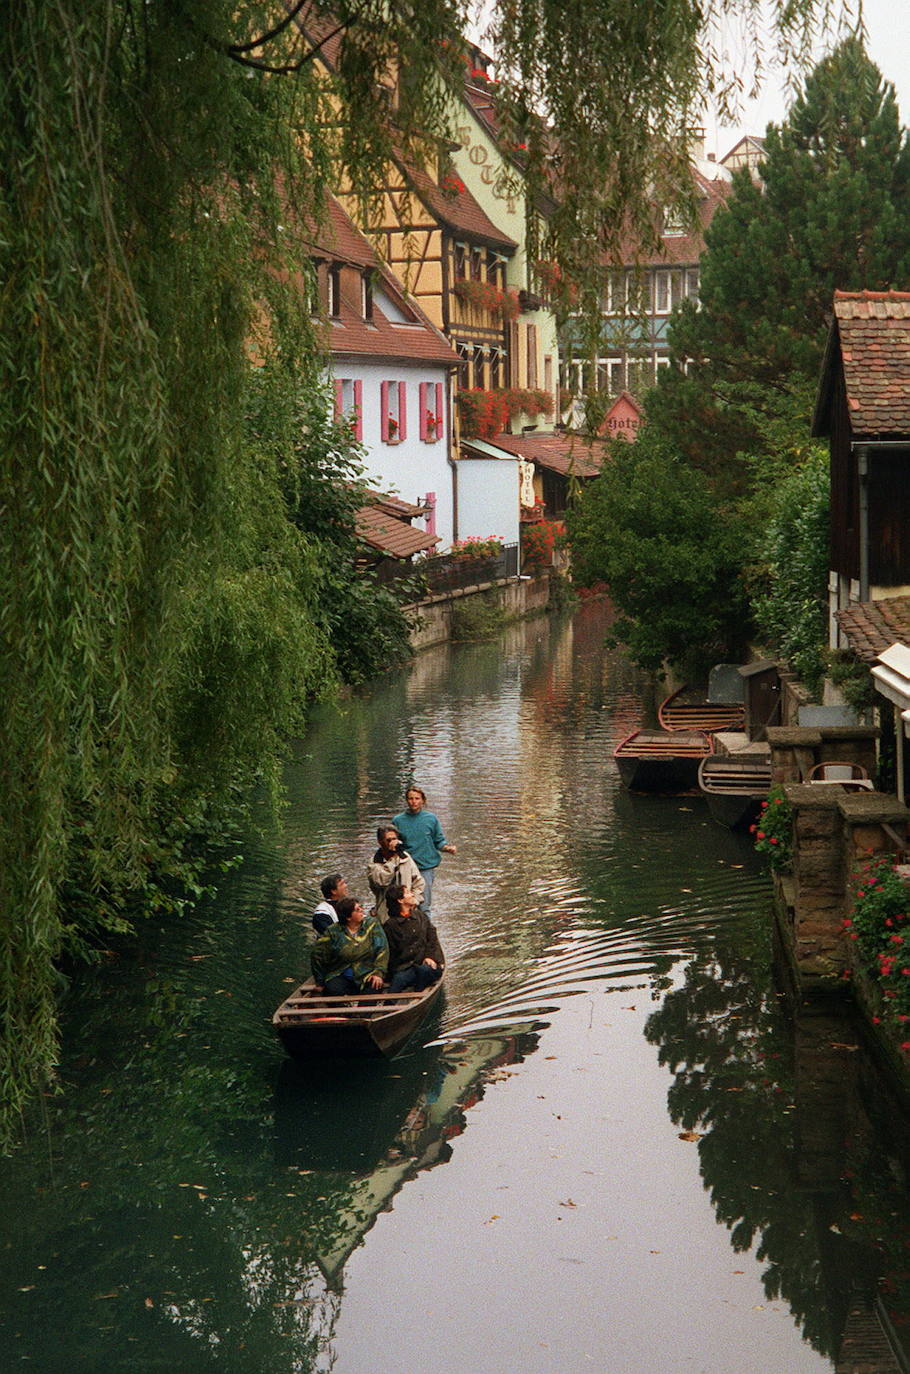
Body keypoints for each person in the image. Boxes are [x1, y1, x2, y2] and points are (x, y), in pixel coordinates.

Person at [392, 785, 456, 915]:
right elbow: (392, 844)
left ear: (423, 801)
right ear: (406, 800)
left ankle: (426, 933)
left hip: (425, 867)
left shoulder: (431, 819)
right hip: (405, 867)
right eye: (410, 798)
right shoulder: (398, 821)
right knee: (404, 904)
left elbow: (438, 841)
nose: (413, 801)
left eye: (417, 798)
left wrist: (447, 848)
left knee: (424, 904)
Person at [310, 897, 389, 996]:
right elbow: (318, 955)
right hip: (341, 972)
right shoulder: (333, 931)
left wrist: (378, 973)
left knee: (374, 986)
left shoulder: (372, 924)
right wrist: (320, 981)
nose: (362, 911)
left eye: (361, 907)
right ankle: (343, 1009)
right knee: (332, 989)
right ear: (348, 917)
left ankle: (362, 1011)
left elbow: (382, 949)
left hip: (367, 972)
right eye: (357, 910)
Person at [384, 886, 444, 993]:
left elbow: (432, 939)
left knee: (424, 970)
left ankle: (417, 993)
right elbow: (390, 952)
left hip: (426, 964)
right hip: (407, 967)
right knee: (398, 980)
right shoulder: (391, 925)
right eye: (408, 893)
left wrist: (429, 956)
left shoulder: (420, 916)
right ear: (400, 900)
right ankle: (388, 1006)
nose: (412, 894)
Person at [367, 826, 424, 923]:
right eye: (388, 840)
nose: (392, 842)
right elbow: (381, 881)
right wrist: (393, 860)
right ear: (380, 842)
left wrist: (415, 899)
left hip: (407, 909)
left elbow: (418, 881)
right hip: (386, 912)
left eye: (395, 839)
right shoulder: (374, 863)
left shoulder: (405, 857)